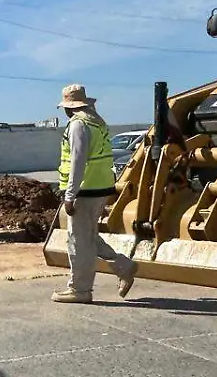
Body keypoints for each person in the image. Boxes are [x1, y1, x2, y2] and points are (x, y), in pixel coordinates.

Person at [53, 83, 137, 304]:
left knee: (78, 242)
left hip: (84, 192)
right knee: (88, 237)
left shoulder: (78, 125)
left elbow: (77, 162)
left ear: (69, 107)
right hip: (98, 189)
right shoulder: (97, 124)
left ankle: (80, 289)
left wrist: (70, 195)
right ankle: (124, 266)